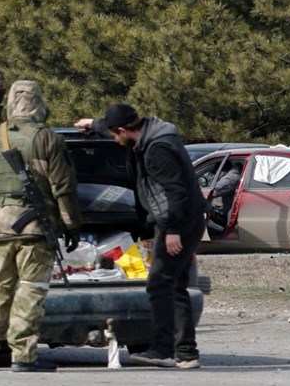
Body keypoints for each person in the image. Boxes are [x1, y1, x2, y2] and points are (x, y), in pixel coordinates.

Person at [75, 104, 205, 370]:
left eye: (113, 135)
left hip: (179, 222)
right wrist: (95, 124)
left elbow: (176, 192)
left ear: (124, 130)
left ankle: (164, 350)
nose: (113, 140)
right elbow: (116, 128)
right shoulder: (149, 133)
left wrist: (172, 231)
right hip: (180, 220)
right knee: (174, 285)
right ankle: (186, 353)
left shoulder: (158, 149)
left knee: (160, 284)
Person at [0, 81, 81, 373]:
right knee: (31, 289)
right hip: (35, 228)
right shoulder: (48, 139)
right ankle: (23, 355)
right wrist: (71, 226)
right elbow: (63, 188)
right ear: (39, 103)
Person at [206, 163, 242, 236]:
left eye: (216, 172)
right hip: (219, 212)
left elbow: (214, 191)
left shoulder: (231, 178)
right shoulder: (231, 177)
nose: (216, 175)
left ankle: (220, 229)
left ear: (222, 171)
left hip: (220, 215)